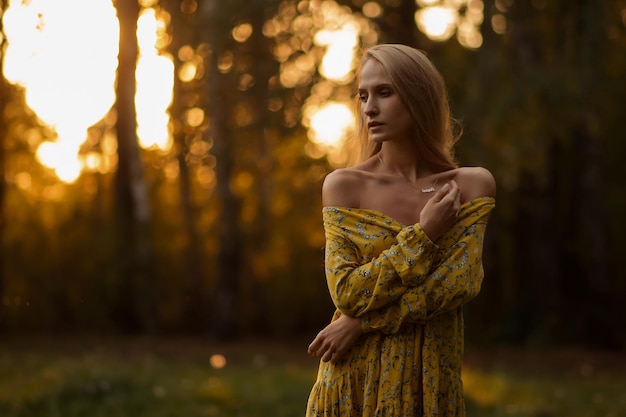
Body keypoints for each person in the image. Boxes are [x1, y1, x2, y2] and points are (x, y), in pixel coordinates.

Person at [305, 44, 496, 416]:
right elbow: (347, 292)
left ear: (419, 95)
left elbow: (457, 284)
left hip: (431, 384)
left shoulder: (470, 186)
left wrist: (360, 324)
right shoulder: (345, 186)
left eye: (385, 92)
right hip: (352, 384)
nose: (369, 108)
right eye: (363, 95)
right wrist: (423, 236)